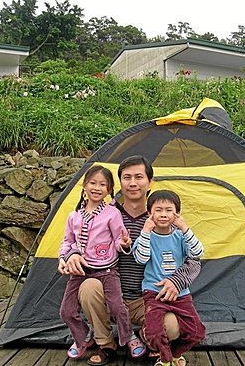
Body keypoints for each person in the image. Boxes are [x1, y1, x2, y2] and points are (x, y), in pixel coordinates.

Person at [59, 156, 202, 366]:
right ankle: (106, 343)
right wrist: (71, 254)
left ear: (150, 181)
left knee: (172, 327)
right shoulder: (106, 214)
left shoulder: (162, 214)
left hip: (148, 299)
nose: (133, 183)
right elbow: (78, 236)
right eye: (127, 177)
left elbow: (193, 258)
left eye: (139, 177)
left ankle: (147, 338)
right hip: (109, 293)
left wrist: (177, 280)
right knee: (88, 286)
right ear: (118, 183)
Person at [58, 165, 145, 360]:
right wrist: (65, 257)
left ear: (109, 189)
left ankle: (128, 336)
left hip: (107, 270)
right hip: (81, 271)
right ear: (84, 185)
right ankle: (83, 336)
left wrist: (123, 243)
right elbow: (67, 242)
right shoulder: (74, 216)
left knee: (117, 306)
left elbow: (118, 239)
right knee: (66, 311)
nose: (97, 188)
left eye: (102, 184)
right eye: (92, 183)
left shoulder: (112, 213)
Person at [133, 190, 206, 366]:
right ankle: (165, 359)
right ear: (150, 213)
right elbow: (140, 258)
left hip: (181, 294)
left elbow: (198, 253)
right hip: (154, 294)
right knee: (154, 333)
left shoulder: (180, 236)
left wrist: (185, 228)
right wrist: (145, 230)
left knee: (197, 332)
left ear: (177, 214)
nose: (163, 214)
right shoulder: (146, 236)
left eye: (168, 210)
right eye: (158, 210)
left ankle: (173, 354)